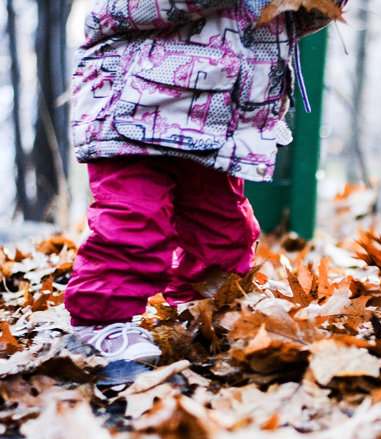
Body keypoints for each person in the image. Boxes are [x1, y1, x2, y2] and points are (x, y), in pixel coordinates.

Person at [66, 0, 339, 363]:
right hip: (135, 106)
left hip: (218, 118)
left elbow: (301, 18)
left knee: (224, 229)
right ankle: (102, 321)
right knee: (134, 218)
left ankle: (204, 311)